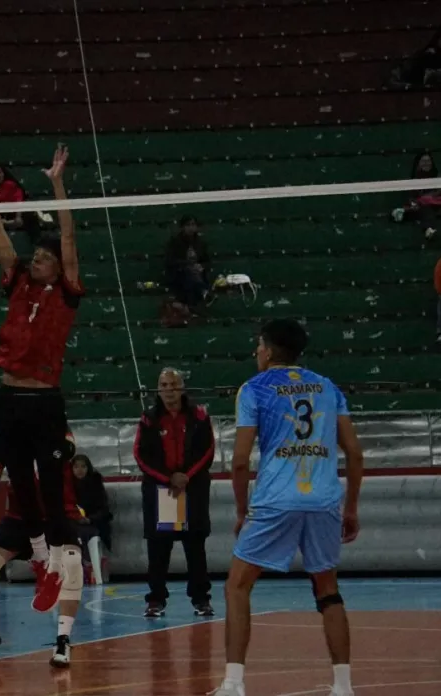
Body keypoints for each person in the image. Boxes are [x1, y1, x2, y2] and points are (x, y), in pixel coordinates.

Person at [211, 319, 364, 696]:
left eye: (257, 345)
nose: (255, 352)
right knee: (327, 591)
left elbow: (241, 460)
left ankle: (234, 683)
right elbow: (355, 454)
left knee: (237, 586)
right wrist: (352, 508)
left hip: (277, 500)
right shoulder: (327, 387)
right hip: (324, 499)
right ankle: (343, 686)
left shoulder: (255, 388)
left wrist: (243, 511)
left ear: (268, 348)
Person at [0, 144, 83, 613]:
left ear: (57, 267)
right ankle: (40, 561)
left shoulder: (66, 294)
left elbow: (68, 237)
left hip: (45, 399)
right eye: (35, 257)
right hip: (10, 396)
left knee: (52, 486)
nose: (36, 260)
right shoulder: (18, 284)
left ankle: (54, 561)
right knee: (22, 485)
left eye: (44, 259)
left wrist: (55, 183)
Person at [0, 439, 83, 668]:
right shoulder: (9, 434)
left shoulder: (55, 429)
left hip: (57, 516)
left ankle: (63, 639)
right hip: (18, 519)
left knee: (72, 563)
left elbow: (69, 451)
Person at [133, 368, 215, 617]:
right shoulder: (148, 419)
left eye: (173, 384)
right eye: (164, 384)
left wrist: (186, 476)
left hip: (193, 489)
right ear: (158, 389)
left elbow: (208, 449)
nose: (169, 389)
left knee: (195, 547)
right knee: (158, 549)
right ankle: (156, 600)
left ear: (182, 388)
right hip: (161, 492)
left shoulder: (199, 416)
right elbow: (140, 455)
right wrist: (168, 479)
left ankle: (201, 599)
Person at [70, 453, 112, 586]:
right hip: (72, 522)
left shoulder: (95, 483)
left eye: (83, 466)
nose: (80, 470)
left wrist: (89, 519)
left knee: (86, 532)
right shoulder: (67, 486)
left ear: (88, 468)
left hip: (93, 523)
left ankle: (90, 567)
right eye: (76, 467)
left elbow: (104, 511)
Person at [165, 215, 211, 311]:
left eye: (193, 225)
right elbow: (170, 261)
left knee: (195, 273)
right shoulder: (175, 242)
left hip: (199, 274)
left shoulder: (201, 243)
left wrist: (201, 266)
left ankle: (201, 294)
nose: (191, 228)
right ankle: (204, 292)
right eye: (188, 225)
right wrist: (188, 265)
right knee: (189, 272)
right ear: (182, 227)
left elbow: (207, 261)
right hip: (180, 274)